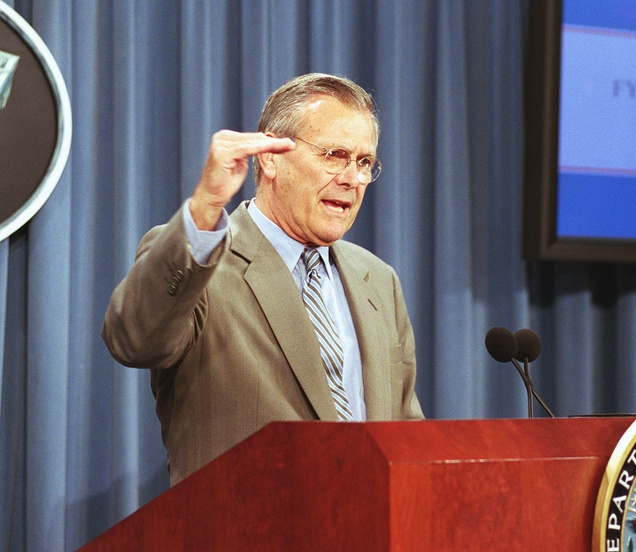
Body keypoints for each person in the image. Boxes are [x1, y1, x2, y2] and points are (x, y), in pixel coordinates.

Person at [103, 73, 423, 485]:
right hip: (246, 539)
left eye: (364, 163)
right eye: (334, 155)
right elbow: (132, 340)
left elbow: (407, 434)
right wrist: (206, 206)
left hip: (368, 536)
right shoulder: (203, 260)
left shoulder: (378, 280)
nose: (351, 179)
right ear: (270, 157)